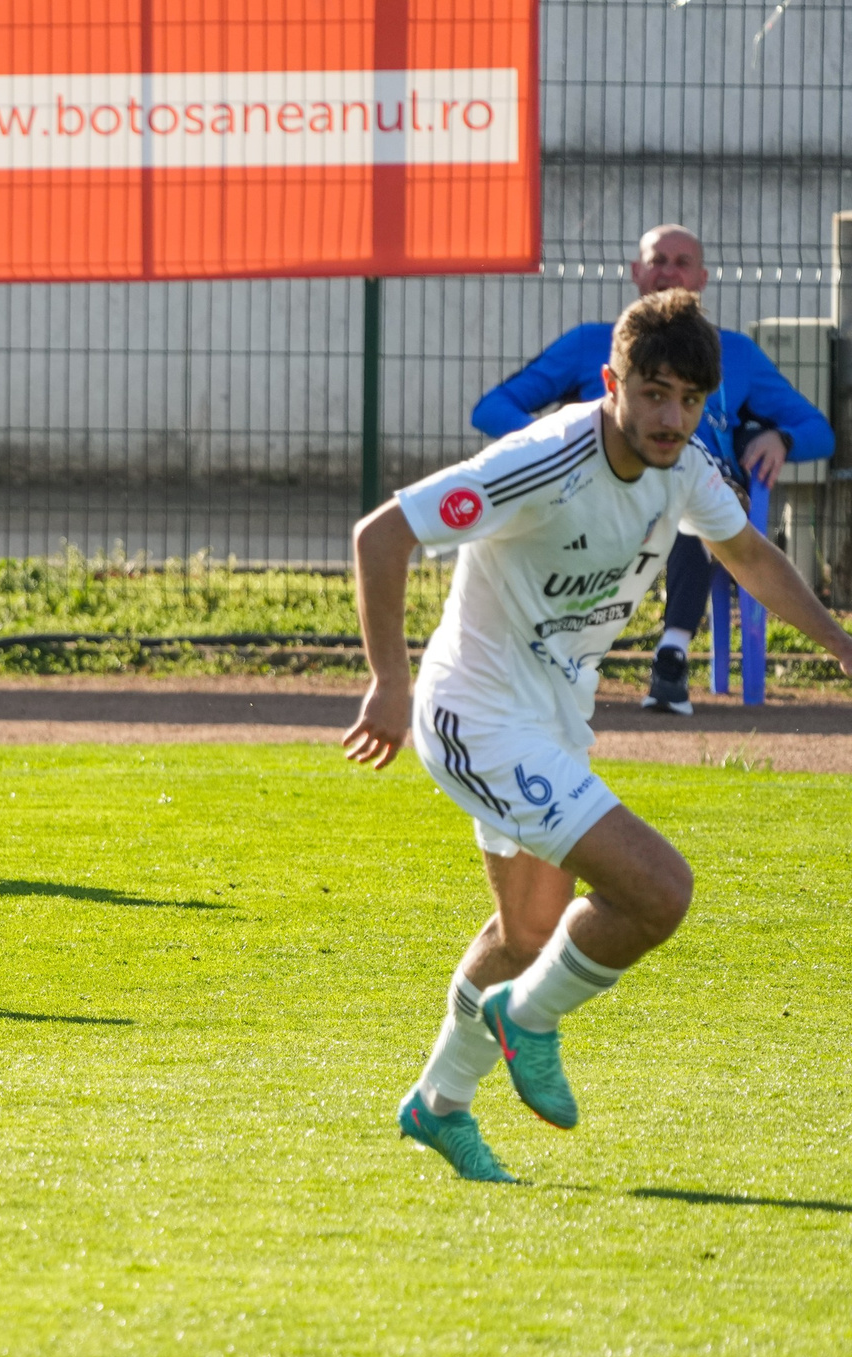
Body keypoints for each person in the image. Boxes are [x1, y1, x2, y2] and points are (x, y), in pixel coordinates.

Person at [345, 291, 852, 1184]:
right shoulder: (541, 460)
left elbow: (751, 558)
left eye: (691, 400)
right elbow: (382, 534)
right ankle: (526, 1021)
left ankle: (437, 1103)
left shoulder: (689, 468)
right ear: (613, 381)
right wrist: (389, 680)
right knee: (659, 890)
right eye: (654, 393)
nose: (671, 417)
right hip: (477, 715)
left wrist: (841, 642)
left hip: (550, 716)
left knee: (529, 930)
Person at [469, 224, 835, 715]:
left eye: (682, 262)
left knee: (687, 497)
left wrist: (780, 437)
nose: (669, 271)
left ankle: (672, 655)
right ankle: (535, 665)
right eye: (658, 260)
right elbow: (492, 408)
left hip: (697, 498)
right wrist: (558, 446)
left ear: (702, 277)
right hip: (594, 498)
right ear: (636, 272)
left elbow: (819, 430)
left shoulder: (736, 355)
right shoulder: (589, 345)